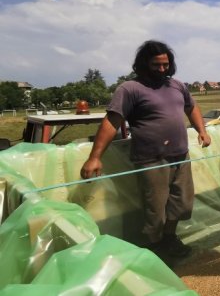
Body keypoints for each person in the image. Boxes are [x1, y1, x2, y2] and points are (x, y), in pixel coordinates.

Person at [80, 40, 211, 258]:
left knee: (182, 205)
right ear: (143, 64)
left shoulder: (176, 85)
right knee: (155, 211)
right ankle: (155, 250)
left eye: (165, 65)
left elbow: (192, 107)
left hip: (180, 156)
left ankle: (170, 239)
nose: (162, 69)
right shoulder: (130, 89)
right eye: (156, 65)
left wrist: (202, 131)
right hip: (151, 160)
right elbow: (112, 121)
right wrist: (94, 157)